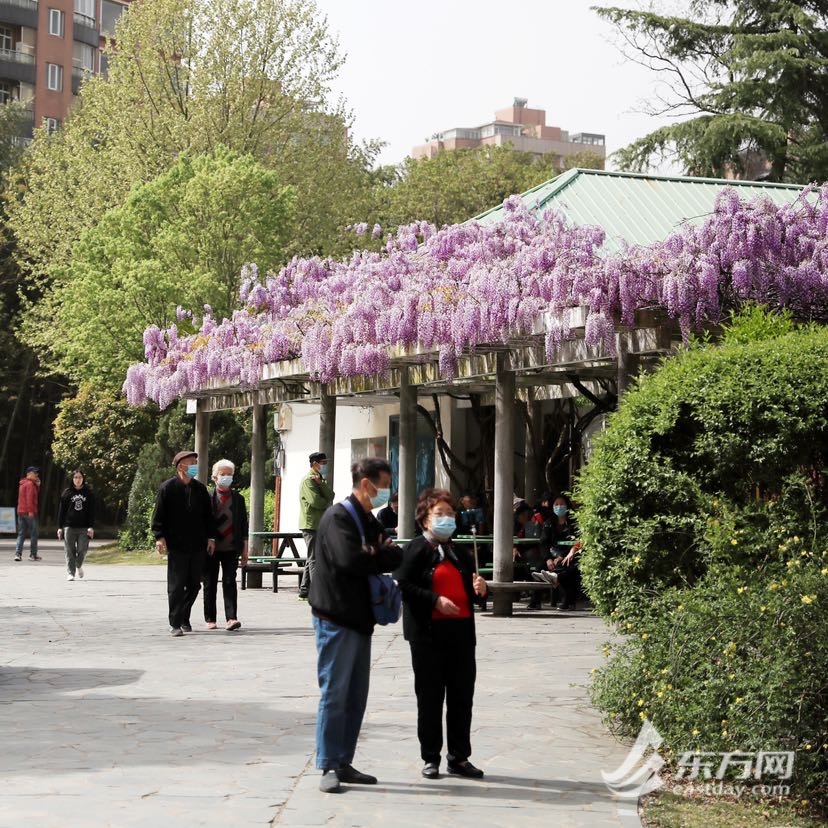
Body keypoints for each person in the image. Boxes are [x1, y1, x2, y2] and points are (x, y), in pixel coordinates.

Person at [309, 457, 403, 793]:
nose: (387, 492)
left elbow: (395, 555)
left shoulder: (368, 519)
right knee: (334, 693)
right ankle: (327, 766)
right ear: (367, 484)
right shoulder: (338, 518)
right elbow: (351, 561)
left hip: (361, 619)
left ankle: (344, 760)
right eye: (384, 484)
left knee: (355, 696)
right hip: (335, 618)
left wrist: (375, 552)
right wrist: (375, 553)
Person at [394, 488, 489, 780]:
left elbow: (472, 596)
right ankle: (431, 757)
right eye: (440, 514)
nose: (447, 519)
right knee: (430, 697)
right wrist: (434, 600)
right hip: (428, 636)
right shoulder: (415, 549)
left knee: (462, 697)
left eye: (450, 513)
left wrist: (481, 592)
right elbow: (402, 585)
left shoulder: (461, 552)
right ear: (425, 519)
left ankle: (459, 757)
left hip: (461, 634)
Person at [152, 450, 217, 637]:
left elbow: (208, 517)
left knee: (195, 584)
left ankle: (183, 615)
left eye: (196, 461)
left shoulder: (200, 489)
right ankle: (175, 623)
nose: (195, 465)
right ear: (181, 466)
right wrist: (159, 536)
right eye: (191, 462)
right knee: (176, 585)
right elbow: (158, 516)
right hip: (177, 545)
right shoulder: (167, 488)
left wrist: (211, 538)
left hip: (198, 545)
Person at [204, 459, 249, 631]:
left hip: (231, 547)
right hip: (211, 548)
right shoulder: (208, 497)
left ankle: (231, 617)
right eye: (223, 474)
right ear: (214, 477)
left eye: (229, 474)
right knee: (210, 582)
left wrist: (245, 548)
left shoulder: (238, 499)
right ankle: (210, 618)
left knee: (230, 581)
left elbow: (243, 524)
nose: (226, 477)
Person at [297, 451, 335, 600]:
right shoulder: (308, 480)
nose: (325, 465)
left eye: (326, 463)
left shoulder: (319, 478)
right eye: (323, 463)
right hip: (310, 523)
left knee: (311, 557)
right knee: (315, 558)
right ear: (314, 463)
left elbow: (331, 496)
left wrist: (321, 486)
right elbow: (316, 502)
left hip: (318, 524)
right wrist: (325, 500)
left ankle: (305, 591)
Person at [534, 494, 581, 610]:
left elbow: (577, 541)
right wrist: (548, 559)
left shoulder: (573, 523)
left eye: (562, 504)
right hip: (552, 555)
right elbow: (544, 543)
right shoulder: (549, 523)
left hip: (569, 555)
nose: (559, 507)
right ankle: (535, 601)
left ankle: (567, 601)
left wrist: (562, 556)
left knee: (568, 568)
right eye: (556, 504)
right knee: (539, 567)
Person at [57, 470, 95, 581]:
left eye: (80, 477)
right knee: (69, 550)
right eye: (75, 477)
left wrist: (91, 527)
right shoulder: (67, 493)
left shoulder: (89, 493)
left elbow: (92, 512)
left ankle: (78, 565)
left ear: (83, 479)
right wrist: (60, 527)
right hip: (69, 526)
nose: (78, 479)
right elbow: (61, 512)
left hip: (84, 527)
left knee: (82, 550)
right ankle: (71, 573)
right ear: (72, 479)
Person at [15, 466, 41, 562]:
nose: (36, 475)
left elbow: (33, 495)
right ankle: (33, 554)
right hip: (29, 512)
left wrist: (37, 486)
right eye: (34, 473)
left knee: (21, 533)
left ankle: (18, 554)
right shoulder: (30, 484)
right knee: (34, 533)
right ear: (28, 474)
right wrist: (30, 511)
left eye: (37, 473)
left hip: (21, 511)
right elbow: (29, 499)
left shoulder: (23, 483)